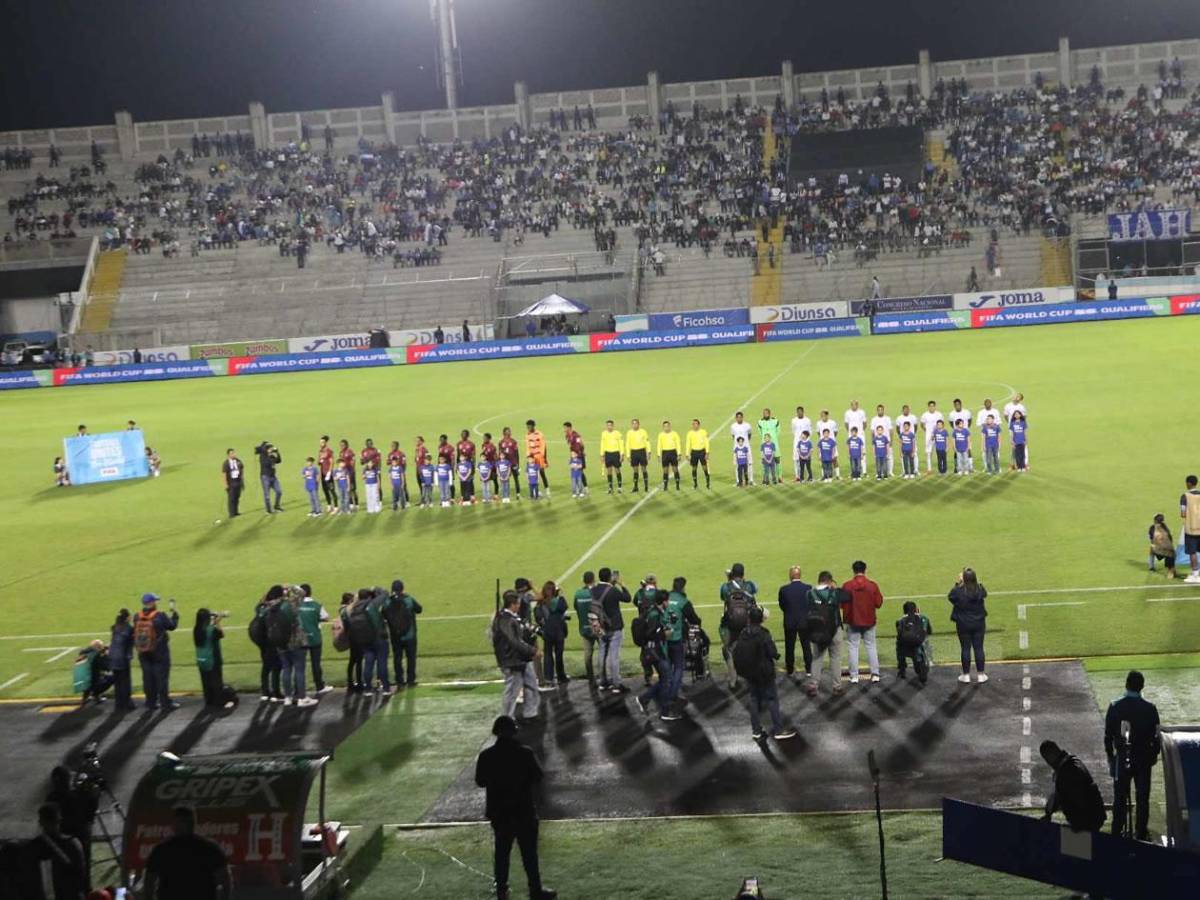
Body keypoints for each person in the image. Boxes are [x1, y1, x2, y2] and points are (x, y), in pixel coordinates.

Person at [474, 716, 557, 900]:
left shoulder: (486, 755)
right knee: (529, 855)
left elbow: (480, 782)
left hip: (500, 813)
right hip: (524, 811)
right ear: (514, 731)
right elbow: (538, 777)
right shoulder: (525, 753)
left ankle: (502, 891)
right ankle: (535, 890)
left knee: (502, 854)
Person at [1105, 670, 1161, 840]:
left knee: (1120, 798)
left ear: (1126, 684)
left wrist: (1111, 758)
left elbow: (1108, 737)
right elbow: (1156, 738)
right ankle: (1141, 833)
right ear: (1142, 686)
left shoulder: (1115, 706)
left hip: (1121, 759)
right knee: (1142, 798)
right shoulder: (1150, 709)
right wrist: (1152, 757)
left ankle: (1117, 832)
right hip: (1143, 761)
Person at [733, 607, 796, 742]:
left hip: (750, 672)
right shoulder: (764, 633)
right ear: (761, 619)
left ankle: (756, 731)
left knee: (754, 699)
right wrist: (776, 655)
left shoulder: (744, 632)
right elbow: (772, 652)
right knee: (772, 700)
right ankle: (778, 730)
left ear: (749, 619)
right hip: (764, 672)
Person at [143, 806, 231, 900]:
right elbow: (225, 881)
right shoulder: (209, 848)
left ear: (174, 824)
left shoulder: (162, 850)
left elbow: (149, 883)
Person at [1039, 740, 1106, 832]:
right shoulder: (1070, 762)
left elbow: (1063, 796)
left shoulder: (1065, 771)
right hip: (1094, 815)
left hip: (1087, 820)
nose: (1048, 763)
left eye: (1046, 759)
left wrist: (1078, 825)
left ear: (1051, 755)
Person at [26, 803, 88, 900]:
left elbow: (30, 877)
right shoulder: (72, 843)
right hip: (71, 895)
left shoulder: (34, 846)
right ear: (59, 820)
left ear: (41, 822)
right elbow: (81, 876)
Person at [493, 591, 540, 719]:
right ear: (512, 605)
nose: (519, 606)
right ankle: (507, 719)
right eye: (518, 604)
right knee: (512, 691)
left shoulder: (510, 617)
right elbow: (514, 641)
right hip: (512, 661)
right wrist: (532, 650)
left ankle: (530, 713)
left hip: (520, 658)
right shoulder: (505, 620)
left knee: (531, 685)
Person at [134, 593, 179, 710]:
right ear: (152, 602)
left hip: (143, 652)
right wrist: (175, 615)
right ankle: (165, 703)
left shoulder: (136, 616)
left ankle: (150, 702)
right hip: (160, 652)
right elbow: (172, 626)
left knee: (148, 678)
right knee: (162, 678)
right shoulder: (160, 616)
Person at [841, 561, 882, 685]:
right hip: (869, 621)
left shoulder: (847, 586)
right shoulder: (872, 585)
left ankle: (854, 676)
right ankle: (875, 674)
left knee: (853, 647)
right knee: (871, 647)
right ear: (865, 570)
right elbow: (878, 603)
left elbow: (841, 604)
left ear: (853, 570)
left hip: (853, 621)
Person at [634, 589, 673, 718]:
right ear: (664, 601)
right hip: (654, 651)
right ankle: (665, 712)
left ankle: (645, 699)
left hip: (652, 650)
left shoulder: (654, 611)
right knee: (666, 679)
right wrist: (664, 634)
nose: (669, 602)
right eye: (668, 600)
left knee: (665, 679)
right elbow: (651, 633)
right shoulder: (655, 614)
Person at [663, 576, 699, 718]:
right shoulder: (683, 601)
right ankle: (672, 696)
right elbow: (694, 619)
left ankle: (667, 692)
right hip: (677, 639)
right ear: (683, 587)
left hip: (664, 638)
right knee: (678, 667)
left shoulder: (666, 597)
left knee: (668, 666)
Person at [807, 572, 846, 697]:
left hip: (818, 630)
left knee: (817, 658)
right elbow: (848, 597)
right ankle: (837, 687)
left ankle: (813, 685)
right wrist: (835, 588)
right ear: (829, 581)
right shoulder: (834, 593)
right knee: (835, 658)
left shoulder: (809, 593)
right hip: (834, 630)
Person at [719, 563, 758, 688]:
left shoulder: (726, 587)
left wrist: (729, 580)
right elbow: (755, 589)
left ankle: (733, 680)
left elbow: (723, 596)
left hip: (731, 623)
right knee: (750, 646)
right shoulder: (749, 585)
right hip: (747, 622)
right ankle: (751, 676)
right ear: (743, 574)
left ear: (732, 574)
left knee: (728, 649)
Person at [278, 585, 316, 706]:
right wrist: (290, 587)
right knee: (299, 669)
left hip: (280, 642)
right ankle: (301, 698)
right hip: (296, 641)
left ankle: (288, 698)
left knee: (286, 669)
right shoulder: (291, 604)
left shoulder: (273, 606)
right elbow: (301, 592)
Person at [948, 568, 988, 684]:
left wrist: (958, 583)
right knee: (979, 648)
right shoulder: (979, 589)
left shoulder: (959, 591)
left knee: (965, 648)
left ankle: (966, 676)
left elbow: (950, 596)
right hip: (979, 623)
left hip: (963, 624)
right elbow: (984, 593)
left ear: (963, 579)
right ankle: (981, 675)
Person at [777, 566, 813, 680]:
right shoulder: (808, 588)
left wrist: (789, 613)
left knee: (789, 646)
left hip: (789, 621)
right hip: (804, 621)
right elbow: (811, 604)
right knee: (806, 646)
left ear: (791, 575)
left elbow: (782, 605)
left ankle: (790, 669)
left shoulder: (784, 589)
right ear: (800, 575)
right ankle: (809, 669)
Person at [385, 579, 422, 687]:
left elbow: (384, 613)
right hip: (410, 635)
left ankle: (399, 681)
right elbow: (419, 609)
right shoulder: (408, 600)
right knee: (411, 658)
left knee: (397, 658)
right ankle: (411, 680)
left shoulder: (388, 602)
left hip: (395, 635)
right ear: (402, 589)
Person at [299, 583, 332, 694]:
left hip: (300, 639)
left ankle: (298, 690)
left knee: (299, 666)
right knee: (316, 663)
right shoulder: (317, 605)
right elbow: (326, 618)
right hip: (314, 638)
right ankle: (319, 686)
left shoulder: (295, 605)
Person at [253, 586, 285, 702]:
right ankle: (276, 692)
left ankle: (265, 691)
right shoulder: (275, 607)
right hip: (271, 639)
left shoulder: (261, 607)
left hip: (260, 639)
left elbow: (257, 607)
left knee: (266, 664)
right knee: (277, 665)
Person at [535, 582, 569, 687]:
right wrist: (561, 594)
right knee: (559, 655)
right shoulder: (559, 601)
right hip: (559, 631)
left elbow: (538, 618)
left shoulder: (540, 604)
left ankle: (548, 678)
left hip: (547, 632)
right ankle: (561, 677)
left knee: (548, 655)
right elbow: (565, 606)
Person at [193, 609, 225, 707]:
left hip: (201, 658)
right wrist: (217, 622)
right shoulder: (211, 630)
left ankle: (209, 701)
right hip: (212, 658)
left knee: (205, 681)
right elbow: (221, 634)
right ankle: (218, 702)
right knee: (216, 681)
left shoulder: (196, 629)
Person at [895, 601, 932, 684]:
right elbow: (929, 632)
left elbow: (899, 635)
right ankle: (923, 663)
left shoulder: (900, 621)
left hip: (905, 648)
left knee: (898, 644)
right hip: (919, 646)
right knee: (926, 642)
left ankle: (902, 669)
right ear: (916, 609)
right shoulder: (924, 618)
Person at [573, 572, 598, 682]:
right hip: (597, 627)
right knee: (603, 651)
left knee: (587, 655)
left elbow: (576, 607)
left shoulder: (578, 593)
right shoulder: (596, 592)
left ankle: (590, 677)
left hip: (584, 627)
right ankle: (605, 677)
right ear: (593, 579)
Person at [109, 609, 135, 710]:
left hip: (112, 657)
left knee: (118, 681)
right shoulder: (129, 628)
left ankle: (118, 703)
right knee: (125, 681)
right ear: (127, 617)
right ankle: (127, 703)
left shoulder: (114, 627)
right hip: (122, 657)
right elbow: (130, 643)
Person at [1181, 475, 1200, 582]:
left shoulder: (1185, 496)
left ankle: (1195, 575)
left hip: (1191, 529)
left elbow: (1183, 513)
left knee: (1192, 552)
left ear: (1189, 483)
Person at [256, 441, 283, 513]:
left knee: (279, 492)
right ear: (266, 449)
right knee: (267, 496)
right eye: (270, 448)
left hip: (273, 477)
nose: (271, 449)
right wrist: (269, 455)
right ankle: (269, 510)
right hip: (265, 477)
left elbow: (279, 461)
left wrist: (277, 453)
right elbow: (267, 463)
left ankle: (277, 506)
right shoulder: (262, 456)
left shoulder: (271, 456)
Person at [599, 419, 625, 493]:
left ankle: (620, 487)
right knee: (609, 471)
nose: (609, 427)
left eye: (610, 425)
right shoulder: (604, 433)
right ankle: (610, 488)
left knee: (617, 470)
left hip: (616, 453)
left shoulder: (617, 433)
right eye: (608, 425)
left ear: (613, 426)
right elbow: (602, 444)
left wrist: (622, 454)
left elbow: (621, 444)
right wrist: (602, 455)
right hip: (608, 454)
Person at [625, 418, 650, 493]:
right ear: (631, 425)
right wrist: (628, 455)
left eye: (636, 423)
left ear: (639, 424)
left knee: (643, 469)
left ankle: (646, 487)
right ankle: (635, 487)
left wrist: (649, 452)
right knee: (635, 470)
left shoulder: (643, 432)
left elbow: (647, 442)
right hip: (633, 452)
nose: (634, 425)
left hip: (641, 451)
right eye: (633, 423)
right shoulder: (629, 433)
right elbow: (627, 444)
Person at [685, 418, 711, 489]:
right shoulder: (689, 433)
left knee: (704, 468)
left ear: (699, 425)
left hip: (702, 452)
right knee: (694, 468)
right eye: (693, 424)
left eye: (695, 424)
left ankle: (708, 482)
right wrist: (687, 454)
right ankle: (695, 484)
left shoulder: (703, 432)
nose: (694, 425)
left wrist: (707, 452)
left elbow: (706, 442)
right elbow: (688, 444)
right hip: (694, 452)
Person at [657, 420, 682, 491]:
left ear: (670, 426)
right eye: (664, 426)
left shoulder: (674, 434)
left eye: (667, 426)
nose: (666, 428)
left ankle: (677, 486)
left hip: (673, 452)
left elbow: (678, 444)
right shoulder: (660, 435)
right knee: (665, 470)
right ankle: (665, 486)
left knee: (675, 469)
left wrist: (679, 454)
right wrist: (659, 455)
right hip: (665, 453)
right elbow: (659, 445)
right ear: (663, 427)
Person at [525, 420, 549, 493]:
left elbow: (544, 446)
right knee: (532, 474)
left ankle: (547, 489)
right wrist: (528, 457)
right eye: (527, 426)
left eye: (529, 426)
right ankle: (536, 491)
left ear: (533, 426)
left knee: (541, 473)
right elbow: (527, 446)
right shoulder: (527, 435)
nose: (528, 428)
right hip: (532, 458)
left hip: (539, 456)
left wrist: (544, 459)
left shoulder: (539, 434)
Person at [562, 422, 587, 493]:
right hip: (573, 457)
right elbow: (570, 446)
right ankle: (578, 488)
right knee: (574, 472)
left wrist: (581, 452)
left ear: (569, 427)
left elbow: (581, 444)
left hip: (579, 455)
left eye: (565, 427)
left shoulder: (575, 435)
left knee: (580, 472)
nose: (564, 429)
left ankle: (585, 487)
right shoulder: (567, 436)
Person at [920, 401, 944, 473]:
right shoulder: (925, 415)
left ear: (935, 406)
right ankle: (929, 469)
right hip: (929, 436)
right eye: (930, 406)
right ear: (928, 407)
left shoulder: (939, 414)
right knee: (928, 452)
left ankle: (941, 468)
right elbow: (921, 424)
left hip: (938, 435)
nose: (932, 407)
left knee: (940, 451)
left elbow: (942, 424)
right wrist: (926, 430)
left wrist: (938, 432)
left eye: (933, 406)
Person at [730, 411, 754, 484]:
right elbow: (733, 436)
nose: (739, 419)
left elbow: (749, 434)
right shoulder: (733, 426)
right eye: (738, 417)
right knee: (737, 464)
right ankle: (738, 481)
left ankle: (751, 480)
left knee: (749, 463)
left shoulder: (747, 425)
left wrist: (745, 442)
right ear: (736, 418)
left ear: (742, 418)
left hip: (746, 446)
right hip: (737, 448)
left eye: (740, 417)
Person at [789, 406, 812, 481]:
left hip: (805, 442)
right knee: (796, 459)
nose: (799, 413)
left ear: (803, 412)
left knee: (806, 459)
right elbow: (793, 431)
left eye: (800, 411)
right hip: (796, 441)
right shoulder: (793, 420)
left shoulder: (807, 420)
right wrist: (798, 438)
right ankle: (797, 476)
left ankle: (807, 476)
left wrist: (806, 441)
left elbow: (809, 431)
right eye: (798, 412)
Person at [221, 448, 244, 518]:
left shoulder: (238, 461)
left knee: (237, 497)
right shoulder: (226, 463)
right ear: (228, 455)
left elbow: (242, 469)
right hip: (231, 482)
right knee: (231, 498)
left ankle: (236, 511)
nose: (234, 454)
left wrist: (242, 481)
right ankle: (231, 513)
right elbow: (224, 474)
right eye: (232, 453)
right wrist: (225, 484)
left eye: (234, 453)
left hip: (238, 481)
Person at [318, 436, 337, 512]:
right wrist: (320, 461)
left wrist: (329, 472)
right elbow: (319, 462)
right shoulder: (320, 451)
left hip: (328, 473)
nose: (321, 444)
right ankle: (329, 505)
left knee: (331, 490)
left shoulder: (329, 451)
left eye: (322, 442)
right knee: (325, 490)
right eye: (320, 442)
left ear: (326, 443)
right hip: (322, 473)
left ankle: (336, 506)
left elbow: (332, 462)